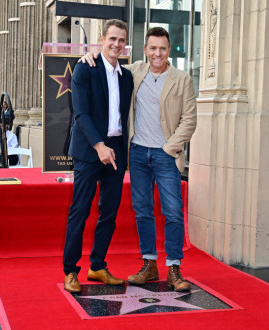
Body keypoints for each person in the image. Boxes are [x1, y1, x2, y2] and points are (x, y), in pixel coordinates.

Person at [81, 27, 197, 292]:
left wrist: (169, 148)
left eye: (163, 48)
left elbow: (189, 120)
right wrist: (88, 56)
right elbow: (107, 61)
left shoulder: (182, 79)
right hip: (137, 153)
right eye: (152, 48)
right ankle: (149, 264)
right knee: (143, 211)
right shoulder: (134, 71)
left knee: (173, 212)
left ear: (169, 50)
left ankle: (174, 268)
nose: (158, 53)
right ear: (145, 50)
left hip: (166, 155)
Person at [63, 19, 134, 293]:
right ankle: (70, 271)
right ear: (102, 40)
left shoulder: (126, 75)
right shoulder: (85, 67)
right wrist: (99, 146)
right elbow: (80, 113)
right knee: (79, 211)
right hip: (88, 151)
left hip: (116, 150)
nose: (116, 44)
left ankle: (97, 266)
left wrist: (111, 148)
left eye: (121, 40)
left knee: (110, 211)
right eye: (112, 39)